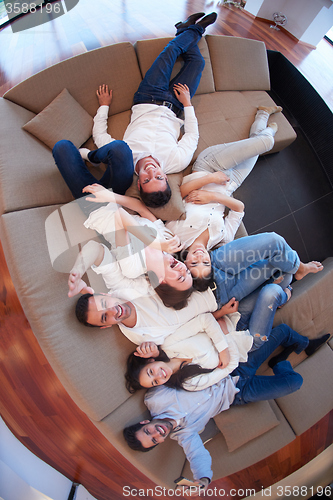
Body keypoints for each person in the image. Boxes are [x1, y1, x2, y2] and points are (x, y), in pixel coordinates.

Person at [123, 324, 330, 491]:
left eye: (148, 431)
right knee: (295, 382)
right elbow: (197, 456)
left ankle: (304, 344)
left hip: (231, 365)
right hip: (239, 391)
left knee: (283, 331)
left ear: (145, 422)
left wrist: (149, 351)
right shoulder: (185, 434)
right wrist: (202, 479)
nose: (156, 434)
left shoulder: (155, 398)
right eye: (154, 441)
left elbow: (160, 367)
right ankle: (279, 364)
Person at [53, 12, 218, 208]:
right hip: (177, 103)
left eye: (147, 179)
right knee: (197, 62)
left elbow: (100, 135)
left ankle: (189, 29)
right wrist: (188, 104)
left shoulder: (126, 159)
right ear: (165, 176)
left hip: (148, 96)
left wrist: (104, 106)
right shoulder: (177, 162)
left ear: (139, 184)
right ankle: (189, 29)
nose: (151, 172)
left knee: (172, 50)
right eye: (158, 177)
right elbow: (192, 135)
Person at [165, 105, 281, 251]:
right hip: (230, 182)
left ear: (186, 261)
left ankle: (269, 130)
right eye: (205, 262)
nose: (200, 257)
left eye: (194, 263)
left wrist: (210, 179)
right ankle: (263, 113)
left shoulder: (176, 235)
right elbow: (239, 208)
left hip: (209, 167)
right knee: (257, 146)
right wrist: (212, 196)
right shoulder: (223, 240)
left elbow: (177, 196)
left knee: (267, 143)